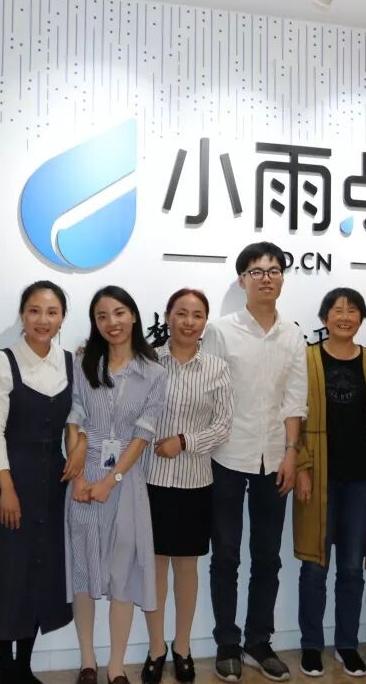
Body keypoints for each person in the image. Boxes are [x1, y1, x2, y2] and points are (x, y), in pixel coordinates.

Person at [203, 242, 307, 683]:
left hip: (275, 459)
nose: (267, 277)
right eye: (257, 271)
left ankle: (258, 642)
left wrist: (292, 453)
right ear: (242, 280)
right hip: (227, 455)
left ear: (282, 277)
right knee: (226, 555)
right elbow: (207, 392)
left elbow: (295, 400)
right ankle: (227, 643)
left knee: (268, 557)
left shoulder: (293, 335)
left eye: (274, 270)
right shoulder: (221, 331)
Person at [293, 287, 366, 678]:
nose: (344, 316)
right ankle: (311, 645)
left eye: (353, 310)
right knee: (314, 567)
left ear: (361, 318)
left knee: (353, 568)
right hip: (318, 479)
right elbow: (293, 417)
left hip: (361, 482)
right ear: (324, 318)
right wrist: (302, 467)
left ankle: (347, 644)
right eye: (337, 310)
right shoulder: (306, 360)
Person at [66, 286, 168, 684]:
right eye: (102, 316)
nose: (112, 322)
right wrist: (78, 477)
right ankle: (87, 661)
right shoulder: (82, 364)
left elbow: (143, 434)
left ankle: (116, 665)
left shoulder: (154, 372)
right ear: (95, 323)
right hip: (83, 477)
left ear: (134, 316)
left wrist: (112, 480)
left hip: (125, 481)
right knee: (84, 570)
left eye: (120, 312)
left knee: (121, 573)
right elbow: (73, 417)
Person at [0, 281, 75, 684]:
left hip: (53, 483)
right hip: (10, 477)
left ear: (62, 318)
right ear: (22, 314)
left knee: (41, 570)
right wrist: (6, 487)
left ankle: (25, 666)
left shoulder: (70, 363)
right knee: (6, 572)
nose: (43, 320)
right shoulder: (3, 363)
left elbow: (77, 421)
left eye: (52, 312)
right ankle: (6, 668)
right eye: (34, 311)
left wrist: (79, 453)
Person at [141, 289, 233, 684]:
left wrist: (183, 441)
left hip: (195, 481)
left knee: (186, 567)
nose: (189, 322)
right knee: (154, 568)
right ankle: (155, 648)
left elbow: (223, 426)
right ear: (168, 316)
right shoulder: (148, 361)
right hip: (150, 480)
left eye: (197, 315)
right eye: (181, 313)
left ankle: (182, 647)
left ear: (205, 322)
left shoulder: (216, 368)